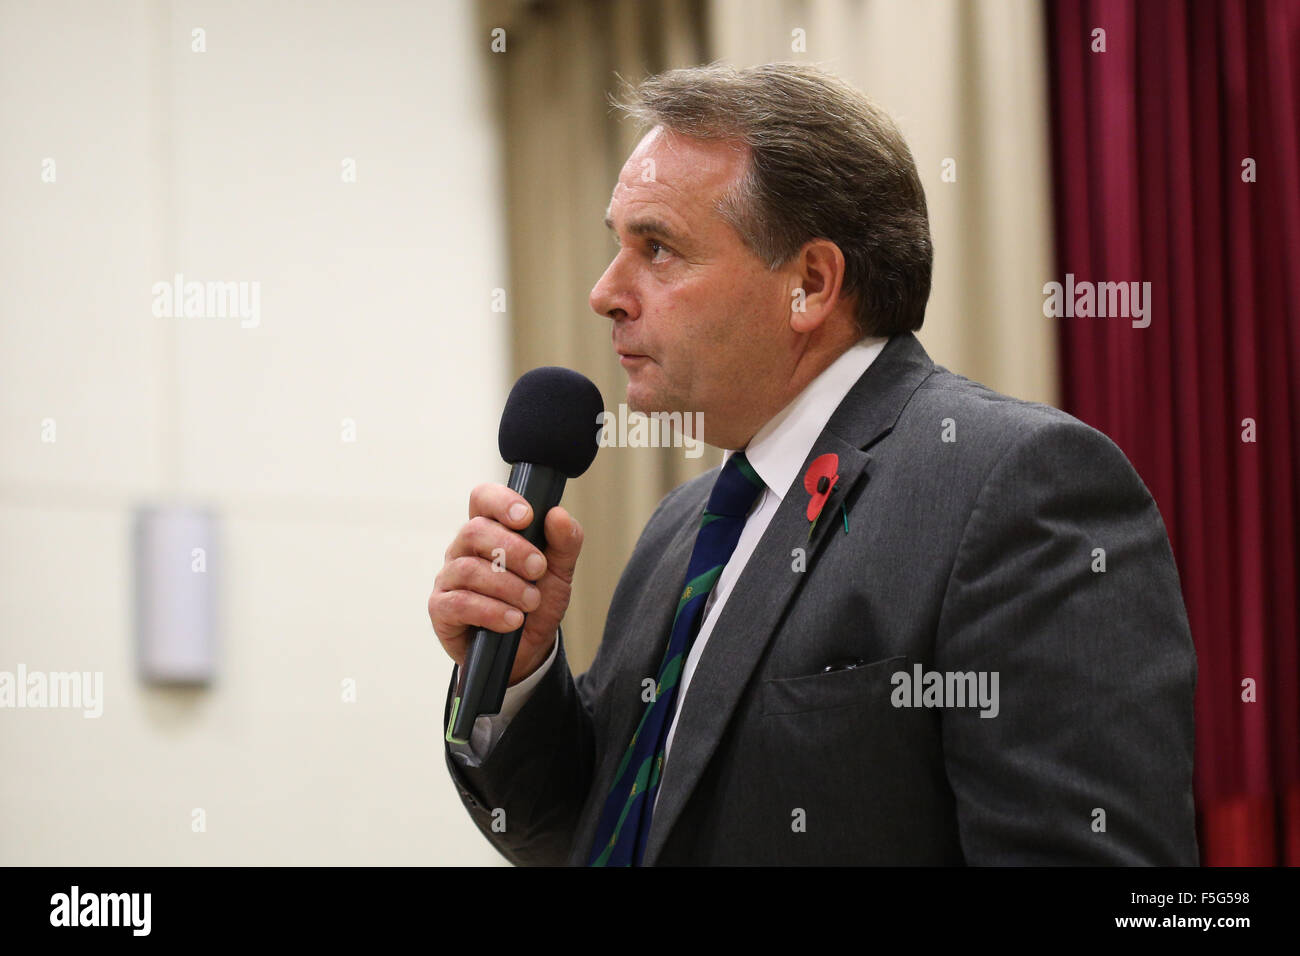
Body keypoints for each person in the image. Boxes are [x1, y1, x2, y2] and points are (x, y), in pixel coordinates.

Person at [428, 63, 1199, 866]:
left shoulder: (1019, 488)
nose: (604, 293)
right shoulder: (681, 528)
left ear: (811, 284)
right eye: (616, 245)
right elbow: (586, 831)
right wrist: (519, 677)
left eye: (656, 248)